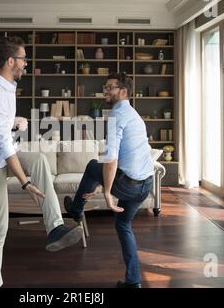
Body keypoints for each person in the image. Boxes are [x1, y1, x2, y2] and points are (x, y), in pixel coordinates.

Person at [0, 36, 83, 288]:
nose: (26, 64)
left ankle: (55, 227)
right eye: (23, 59)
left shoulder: (7, 88)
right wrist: (25, 181)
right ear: (11, 61)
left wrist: (15, 120)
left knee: (40, 159)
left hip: (2, 152)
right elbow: (3, 144)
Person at [64, 73, 154, 288]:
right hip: (144, 184)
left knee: (93, 165)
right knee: (123, 225)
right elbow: (131, 156)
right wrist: (103, 183)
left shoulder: (117, 116)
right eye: (105, 87)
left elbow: (111, 159)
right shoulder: (133, 114)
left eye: (111, 87)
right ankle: (133, 282)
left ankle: (76, 210)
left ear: (123, 91)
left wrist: (107, 191)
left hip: (130, 185)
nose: (106, 90)